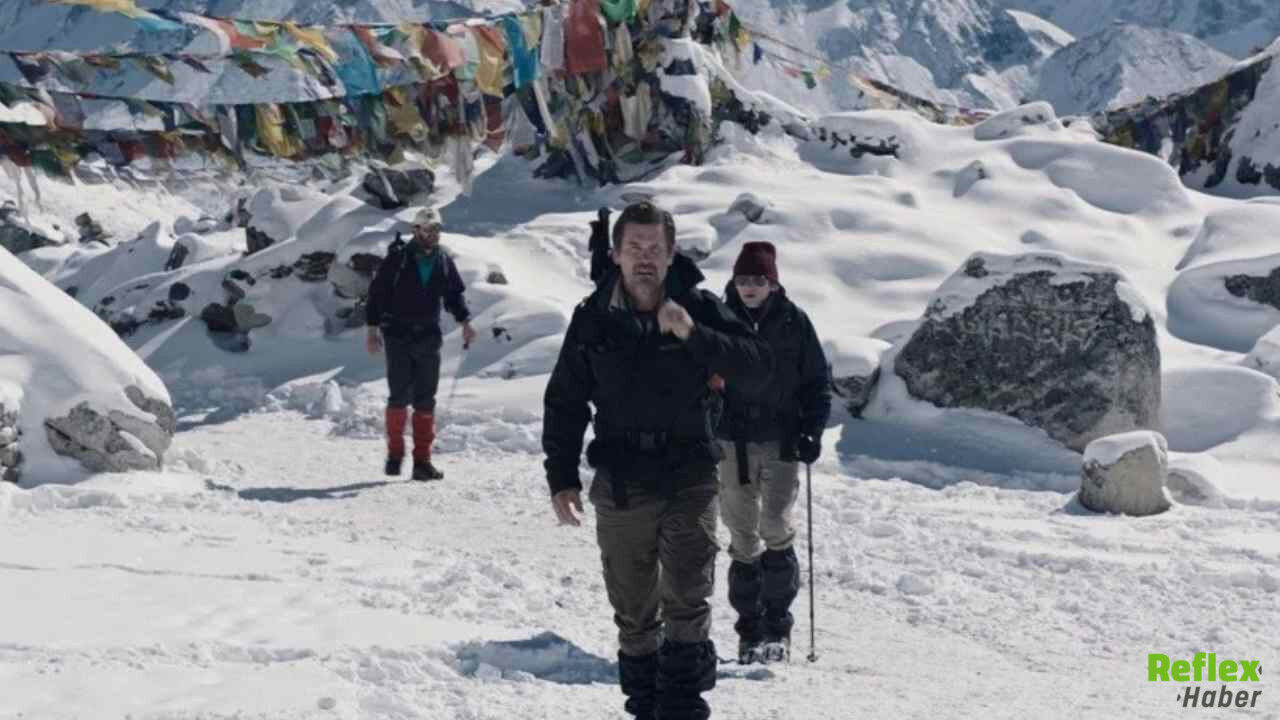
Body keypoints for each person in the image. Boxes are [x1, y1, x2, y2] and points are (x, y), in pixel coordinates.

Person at [542, 201, 772, 720]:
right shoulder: (594, 317)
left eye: (655, 248)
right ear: (616, 254)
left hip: (689, 475)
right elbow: (566, 400)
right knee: (633, 610)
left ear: (671, 255)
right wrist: (561, 476)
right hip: (621, 480)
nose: (644, 257)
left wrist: (694, 334)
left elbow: (759, 366)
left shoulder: (700, 307)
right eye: (634, 247)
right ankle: (645, 707)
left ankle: (683, 708)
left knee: (688, 598)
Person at [714, 241, 831, 665]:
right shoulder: (719, 319)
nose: (749, 287)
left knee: (775, 525)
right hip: (732, 444)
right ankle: (750, 631)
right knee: (743, 536)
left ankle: (778, 628)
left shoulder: (794, 322)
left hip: (782, 441)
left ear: (773, 284)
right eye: (743, 279)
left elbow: (816, 381)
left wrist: (811, 431)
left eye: (758, 280)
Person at [365, 207, 477, 481]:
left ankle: (422, 463)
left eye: (437, 229)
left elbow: (454, 296)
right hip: (397, 335)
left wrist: (465, 323)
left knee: (426, 399)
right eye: (428, 230)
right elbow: (377, 294)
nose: (433, 234)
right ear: (416, 231)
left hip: (428, 335)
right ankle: (395, 455)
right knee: (399, 396)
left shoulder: (443, 260)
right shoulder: (398, 258)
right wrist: (371, 331)